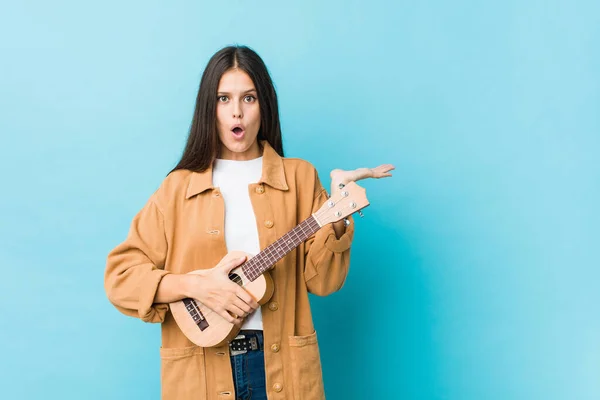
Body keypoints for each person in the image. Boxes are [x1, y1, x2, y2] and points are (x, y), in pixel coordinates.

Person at [104, 45, 394, 400]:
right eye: (223, 98)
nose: (236, 112)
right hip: (202, 374)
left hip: (282, 368)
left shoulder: (300, 178)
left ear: (264, 105)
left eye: (249, 98)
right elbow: (120, 279)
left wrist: (337, 214)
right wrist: (194, 287)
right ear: (208, 108)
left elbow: (325, 283)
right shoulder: (178, 187)